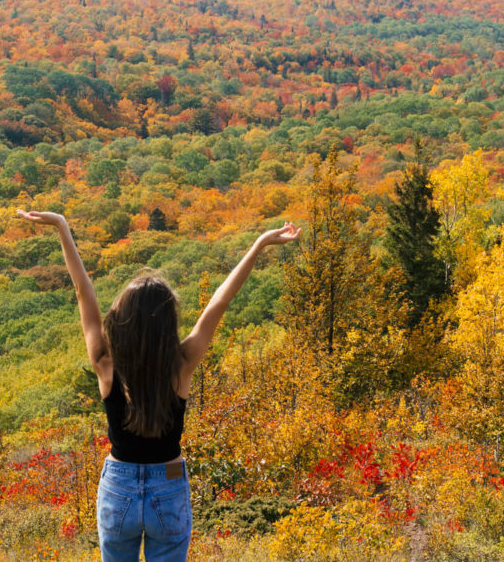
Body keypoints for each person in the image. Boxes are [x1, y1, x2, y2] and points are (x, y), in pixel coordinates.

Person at [17, 209, 300, 562]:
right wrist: (259, 245)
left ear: (121, 320)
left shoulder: (106, 365)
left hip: (118, 488)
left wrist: (61, 226)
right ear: (168, 324)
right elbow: (220, 301)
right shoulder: (181, 365)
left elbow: (82, 292)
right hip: (168, 487)